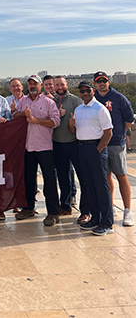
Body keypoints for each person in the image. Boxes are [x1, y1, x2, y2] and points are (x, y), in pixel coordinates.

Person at [13, 75, 61, 227]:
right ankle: (28, 208)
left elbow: (55, 121)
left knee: (49, 181)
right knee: (28, 180)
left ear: (40, 86)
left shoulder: (48, 102)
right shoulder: (23, 101)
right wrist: (24, 114)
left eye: (35, 83)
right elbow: (15, 115)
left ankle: (53, 212)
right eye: (30, 83)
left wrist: (36, 120)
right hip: (28, 147)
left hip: (45, 147)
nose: (32, 86)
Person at [71, 81, 114, 235]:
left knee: (101, 187)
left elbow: (108, 132)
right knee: (89, 186)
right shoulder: (79, 109)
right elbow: (74, 129)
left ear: (93, 91)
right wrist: (71, 124)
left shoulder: (100, 109)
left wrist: (98, 150)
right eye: (81, 91)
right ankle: (95, 218)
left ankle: (107, 222)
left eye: (87, 90)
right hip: (82, 147)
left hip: (95, 148)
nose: (84, 93)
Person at [92, 71, 134, 226]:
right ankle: (109, 207)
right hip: (100, 143)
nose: (102, 84)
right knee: (106, 176)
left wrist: (118, 133)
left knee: (121, 175)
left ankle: (128, 210)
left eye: (104, 81)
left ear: (108, 82)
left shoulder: (118, 98)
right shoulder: (93, 98)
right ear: (95, 84)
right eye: (99, 81)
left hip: (116, 143)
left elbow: (128, 119)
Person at [51, 76, 81, 218]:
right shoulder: (52, 101)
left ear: (66, 84)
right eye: (57, 85)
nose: (60, 87)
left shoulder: (75, 100)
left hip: (73, 143)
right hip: (57, 144)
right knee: (63, 178)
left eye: (62, 84)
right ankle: (65, 205)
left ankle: (86, 209)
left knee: (81, 176)